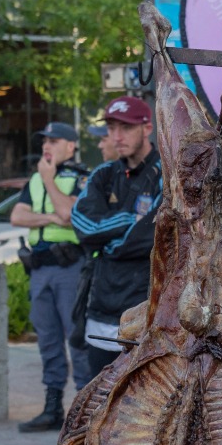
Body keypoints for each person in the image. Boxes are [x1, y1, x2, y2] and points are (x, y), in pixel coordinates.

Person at [72, 95, 161, 379]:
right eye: (111, 128)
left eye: (125, 127)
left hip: (145, 309)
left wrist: (107, 240)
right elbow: (83, 226)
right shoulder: (103, 174)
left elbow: (153, 235)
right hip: (101, 306)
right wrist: (127, 220)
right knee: (94, 400)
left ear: (147, 128)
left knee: (140, 406)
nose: (116, 136)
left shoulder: (166, 173)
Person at [11, 122, 90, 432]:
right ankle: (52, 407)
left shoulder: (82, 178)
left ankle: (86, 410)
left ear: (70, 146)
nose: (47, 146)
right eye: (44, 140)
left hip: (69, 269)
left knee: (76, 339)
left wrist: (49, 182)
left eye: (54, 141)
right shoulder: (34, 180)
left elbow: (71, 215)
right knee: (47, 340)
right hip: (40, 269)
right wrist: (48, 215)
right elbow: (17, 216)